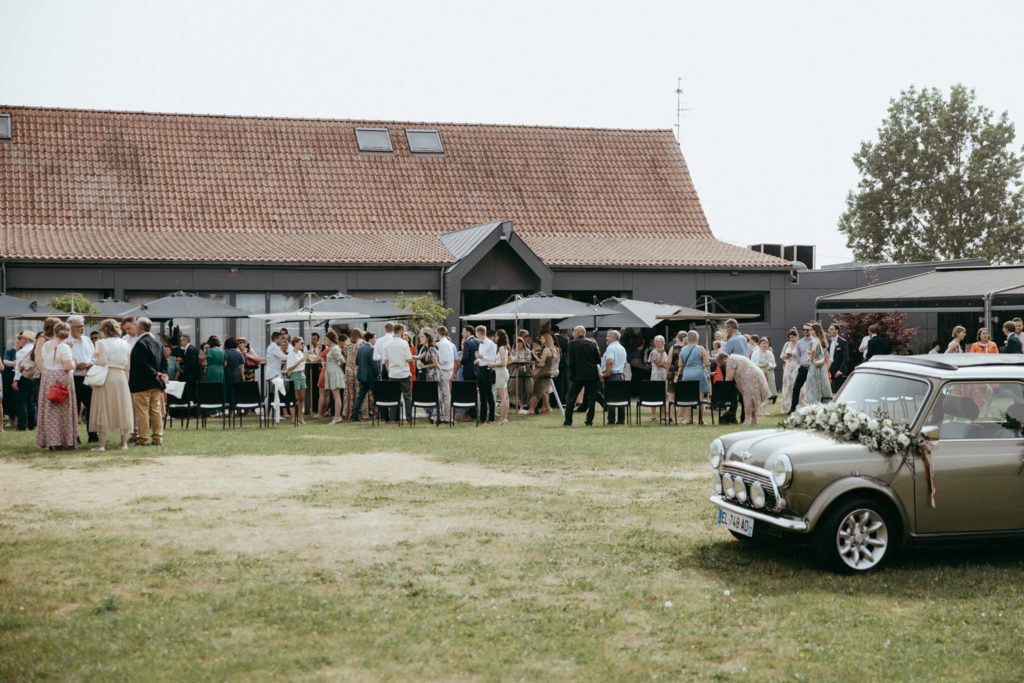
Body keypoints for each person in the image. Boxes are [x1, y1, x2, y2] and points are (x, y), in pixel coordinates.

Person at [89, 319, 133, 451]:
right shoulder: (125, 344)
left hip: (107, 375)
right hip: (121, 377)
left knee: (103, 407)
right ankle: (123, 443)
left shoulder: (101, 343)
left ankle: (101, 444)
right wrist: (126, 382)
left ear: (104, 330)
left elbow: (102, 361)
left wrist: (95, 358)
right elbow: (127, 367)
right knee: (122, 407)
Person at [36, 321, 77, 450]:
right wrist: (74, 361)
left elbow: (43, 359)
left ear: (55, 332)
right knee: (63, 410)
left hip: (47, 376)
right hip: (61, 377)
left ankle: (51, 440)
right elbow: (67, 366)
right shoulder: (64, 347)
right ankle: (65, 440)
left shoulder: (46, 344)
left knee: (49, 409)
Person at [128, 318, 168, 447]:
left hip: (142, 383)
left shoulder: (140, 343)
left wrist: (155, 373)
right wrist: (161, 373)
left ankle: (142, 438)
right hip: (156, 383)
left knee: (142, 411)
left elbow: (141, 363)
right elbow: (164, 361)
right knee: (155, 410)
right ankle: (158, 438)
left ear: (140, 328)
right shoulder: (158, 343)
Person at [716, 352, 771, 426]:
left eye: (720, 362)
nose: (720, 365)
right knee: (753, 399)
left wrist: (724, 388)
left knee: (748, 399)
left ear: (724, 359)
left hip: (751, 378)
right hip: (756, 375)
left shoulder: (730, 360)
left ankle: (747, 420)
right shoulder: (735, 357)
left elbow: (729, 378)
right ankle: (754, 420)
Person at [563, 326, 601, 427]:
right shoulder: (592, 343)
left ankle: (568, 421)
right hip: (592, 375)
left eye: (574, 331)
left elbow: (571, 362)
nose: (572, 333)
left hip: (578, 376)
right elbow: (598, 360)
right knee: (591, 398)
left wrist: (572, 375)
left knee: (571, 397)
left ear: (579, 332)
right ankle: (589, 420)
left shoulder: (572, 344)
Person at [68, 315, 98, 443]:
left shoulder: (87, 340)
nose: (82, 328)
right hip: (73, 378)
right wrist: (76, 366)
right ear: (71, 328)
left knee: (92, 406)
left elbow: (94, 356)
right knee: (73, 409)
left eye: (83, 325)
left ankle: (93, 435)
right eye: (79, 326)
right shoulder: (66, 342)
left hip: (88, 377)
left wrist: (91, 363)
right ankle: (74, 436)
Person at [675, 330, 711, 424]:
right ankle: (701, 419)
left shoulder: (683, 349)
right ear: (697, 338)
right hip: (699, 374)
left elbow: (680, 365)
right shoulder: (701, 348)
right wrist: (710, 372)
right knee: (700, 398)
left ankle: (689, 419)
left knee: (689, 397)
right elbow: (707, 363)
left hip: (687, 374)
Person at [381, 323, 414, 422]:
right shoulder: (404, 343)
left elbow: (386, 361)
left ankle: (393, 419)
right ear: (401, 331)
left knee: (394, 397)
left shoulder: (387, 344)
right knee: (407, 397)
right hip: (404, 373)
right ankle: (408, 418)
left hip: (393, 374)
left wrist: (389, 371)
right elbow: (409, 359)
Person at [415, 328, 443, 423]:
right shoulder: (426, 349)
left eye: (422, 337)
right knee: (431, 395)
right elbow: (418, 357)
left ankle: (437, 417)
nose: (420, 338)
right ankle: (433, 416)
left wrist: (424, 366)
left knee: (437, 396)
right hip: (430, 375)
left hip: (435, 375)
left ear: (427, 338)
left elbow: (436, 364)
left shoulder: (431, 349)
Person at [526, 331, 558, 415]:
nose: (540, 339)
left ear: (547, 339)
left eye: (542, 338)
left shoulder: (546, 349)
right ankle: (547, 408)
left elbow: (542, 363)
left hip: (543, 372)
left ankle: (531, 410)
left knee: (537, 392)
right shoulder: (554, 349)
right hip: (549, 372)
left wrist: (535, 365)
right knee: (543, 392)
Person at [12, 331, 38, 431]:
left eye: (20, 339)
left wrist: (15, 380)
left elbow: (19, 368)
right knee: (31, 402)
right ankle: (32, 425)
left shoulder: (21, 352)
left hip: (23, 377)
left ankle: (22, 425)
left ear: (25, 340)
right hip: (34, 377)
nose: (19, 341)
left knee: (21, 402)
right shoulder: (35, 349)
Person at [600, 329, 628, 425]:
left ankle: (611, 420)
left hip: (612, 376)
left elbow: (610, 361)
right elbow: (624, 364)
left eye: (607, 336)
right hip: (620, 375)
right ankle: (621, 420)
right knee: (620, 398)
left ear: (613, 337)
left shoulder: (610, 348)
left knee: (610, 398)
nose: (606, 338)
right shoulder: (622, 348)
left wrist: (606, 373)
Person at [350, 332, 378, 421]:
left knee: (360, 396)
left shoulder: (360, 349)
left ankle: (354, 415)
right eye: (374, 338)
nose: (375, 340)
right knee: (377, 396)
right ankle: (378, 414)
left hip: (362, 376)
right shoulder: (371, 349)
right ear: (370, 339)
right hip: (371, 377)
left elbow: (357, 362)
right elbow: (374, 364)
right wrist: (377, 374)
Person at [803, 322, 833, 405]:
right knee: (823, 387)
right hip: (822, 367)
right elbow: (828, 359)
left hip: (815, 367)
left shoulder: (815, 339)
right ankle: (824, 402)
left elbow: (813, 350)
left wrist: (811, 358)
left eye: (811, 330)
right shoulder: (823, 341)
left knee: (811, 386)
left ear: (815, 331)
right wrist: (825, 369)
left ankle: (813, 403)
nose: (810, 331)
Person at [473, 325, 497, 424]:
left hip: (488, 370)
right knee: (482, 395)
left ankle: (491, 418)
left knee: (489, 395)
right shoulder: (481, 343)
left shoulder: (491, 344)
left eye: (476, 333)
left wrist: (481, 356)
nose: (476, 335)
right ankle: (482, 418)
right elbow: (482, 357)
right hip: (481, 369)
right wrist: (478, 360)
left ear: (479, 333)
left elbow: (492, 359)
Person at [789, 323, 814, 413]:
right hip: (803, 368)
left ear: (811, 330)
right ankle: (793, 408)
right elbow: (798, 356)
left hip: (812, 368)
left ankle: (812, 408)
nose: (805, 331)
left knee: (811, 389)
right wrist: (802, 364)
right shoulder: (800, 342)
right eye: (804, 329)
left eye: (807, 330)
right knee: (796, 388)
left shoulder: (815, 341)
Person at [322, 331, 345, 424]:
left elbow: (342, 360)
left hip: (334, 373)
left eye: (326, 339)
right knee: (335, 395)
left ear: (330, 339)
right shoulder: (332, 348)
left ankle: (337, 417)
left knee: (336, 396)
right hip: (331, 372)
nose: (324, 341)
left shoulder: (335, 348)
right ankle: (336, 416)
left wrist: (336, 366)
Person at [435, 326, 457, 423]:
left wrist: (437, 362)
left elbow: (445, 359)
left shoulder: (443, 344)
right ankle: (445, 415)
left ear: (438, 333)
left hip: (444, 371)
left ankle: (447, 416)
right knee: (445, 394)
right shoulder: (448, 343)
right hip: (448, 371)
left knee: (446, 395)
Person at [490, 329, 511, 425]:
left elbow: (503, 363)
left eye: (496, 336)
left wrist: (492, 364)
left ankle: (502, 419)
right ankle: (504, 418)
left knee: (502, 398)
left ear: (499, 337)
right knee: (505, 397)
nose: (495, 338)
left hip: (500, 373)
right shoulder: (504, 347)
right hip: (503, 373)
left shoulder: (502, 348)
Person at [285, 336, 308, 424]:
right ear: (296, 343)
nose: (302, 344)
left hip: (302, 374)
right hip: (294, 375)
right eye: (301, 343)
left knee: (301, 398)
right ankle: (294, 417)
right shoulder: (291, 354)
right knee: (294, 397)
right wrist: (300, 361)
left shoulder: (301, 353)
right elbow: (289, 368)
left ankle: (301, 417)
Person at [646, 335, 669, 421]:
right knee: (655, 395)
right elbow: (659, 363)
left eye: (664, 341)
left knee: (663, 395)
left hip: (663, 376)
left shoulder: (665, 352)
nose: (663, 343)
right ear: (656, 343)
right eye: (661, 341)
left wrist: (664, 364)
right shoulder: (654, 352)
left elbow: (666, 364)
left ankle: (663, 416)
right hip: (656, 376)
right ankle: (653, 416)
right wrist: (662, 354)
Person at [342, 329, 363, 419]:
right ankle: (361, 411)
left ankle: (348, 411)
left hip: (349, 367)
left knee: (349, 390)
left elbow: (345, 355)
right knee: (359, 390)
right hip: (358, 367)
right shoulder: (362, 343)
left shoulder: (346, 343)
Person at [779, 328, 800, 413]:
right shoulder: (787, 344)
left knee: (795, 385)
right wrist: (787, 356)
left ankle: (796, 406)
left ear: (797, 336)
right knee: (787, 385)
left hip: (796, 366)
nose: (792, 339)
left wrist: (795, 355)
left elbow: (803, 357)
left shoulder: (800, 344)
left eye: (793, 337)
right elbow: (782, 356)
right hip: (788, 366)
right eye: (790, 337)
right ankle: (786, 407)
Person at [755, 337, 777, 414]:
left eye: (766, 343)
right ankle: (759, 410)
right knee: (761, 393)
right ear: (759, 344)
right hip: (761, 374)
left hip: (769, 375)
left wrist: (772, 366)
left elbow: (774, 363)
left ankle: (763, 410)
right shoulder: (756, 353)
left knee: (767, 393)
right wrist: (763, 365)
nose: (765, 345)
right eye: (763, 343)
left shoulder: (770, 353)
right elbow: (752, 364)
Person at [827, 323, 849, 393]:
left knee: (837, 391)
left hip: (838, 369)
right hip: (829, 368)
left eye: (831, 329)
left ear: (836, 330)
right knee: (828, 390)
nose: (829, 330)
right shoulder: (828, 341)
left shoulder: (843, 342)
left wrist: (840, 371)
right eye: (829, 329)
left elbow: (846, 358)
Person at [223, 337, 245, 407]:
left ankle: (228, 408)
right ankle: (234, 409)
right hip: (237, 373)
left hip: (227, 372)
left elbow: (224, 364)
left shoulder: (225, 353)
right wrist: (243, 376)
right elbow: (242, 366)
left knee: (228, 390)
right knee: (235, 391)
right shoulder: (239, 353)